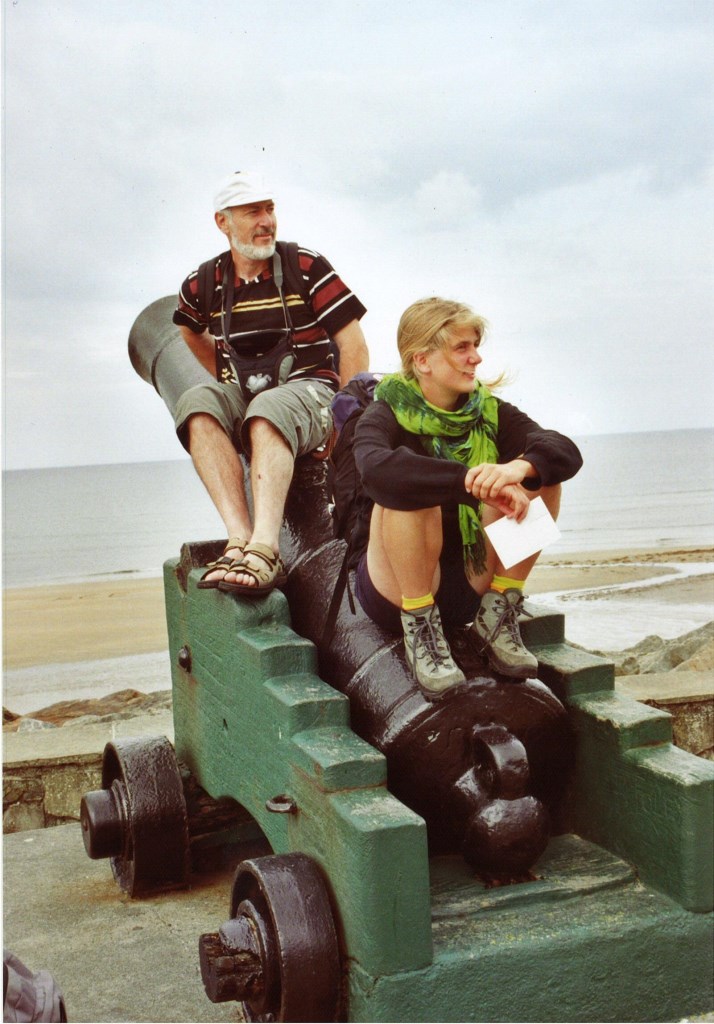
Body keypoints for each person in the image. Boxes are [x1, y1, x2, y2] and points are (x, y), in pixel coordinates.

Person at [352, 297, 582, 696]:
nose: (476, 358)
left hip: (471, 581)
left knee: (541, 477)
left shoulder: (488, 411)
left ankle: (499, 612)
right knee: (409, 490)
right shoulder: (383, 413)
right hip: (398, 587)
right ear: (422, 360)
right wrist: (469, 481)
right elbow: (375, 470)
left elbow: (563, 451)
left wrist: (516, 469)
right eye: (462, 347)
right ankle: (421, 629)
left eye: (475, 345)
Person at [172, 170, 369, 596]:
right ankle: (239, 538)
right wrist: (223, 377)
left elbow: (352, 344)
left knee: (268, 409)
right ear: (223, 222)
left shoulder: (305, 267)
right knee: (196, 405)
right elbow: (189, 328)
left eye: (270, 209)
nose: (266, 221)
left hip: (312, 392)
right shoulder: (204, 283)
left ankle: (266, 548)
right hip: (252, 397)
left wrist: (345, 424)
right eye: (252, 212)